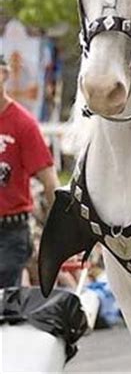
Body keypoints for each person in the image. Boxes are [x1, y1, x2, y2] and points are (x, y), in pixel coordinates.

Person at [0, 55, 60, 288]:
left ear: (4, 75)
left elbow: (49, 180)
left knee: (5, 306)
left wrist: (57, 231)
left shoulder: (23, 123)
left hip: (10, 231)